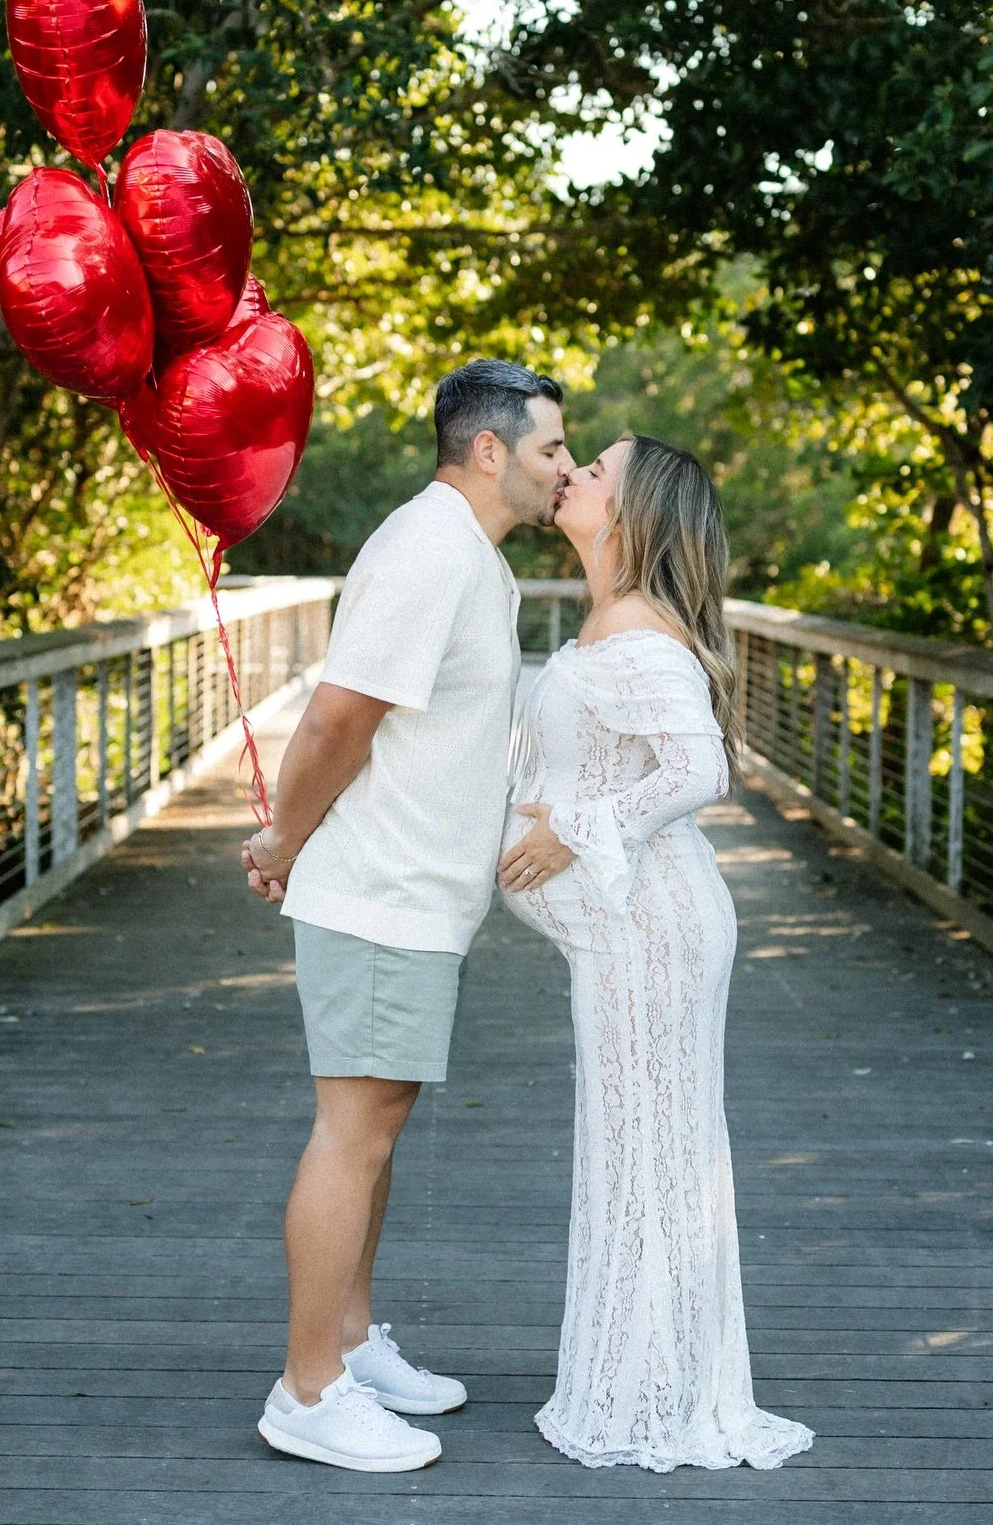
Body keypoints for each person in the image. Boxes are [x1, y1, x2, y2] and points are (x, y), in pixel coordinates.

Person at [242, 359, 572, 1474]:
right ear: (489, 451)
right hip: (380, 895)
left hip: (415, 898)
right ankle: (307, 1389)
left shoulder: (464, 556)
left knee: (375, 1132)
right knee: (354, 1132)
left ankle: (349, 1342)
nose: (563, 470)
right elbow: (339, 720)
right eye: (550, 451)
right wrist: (283, 839)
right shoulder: (431, 551)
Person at [497, 434, 815, 1473]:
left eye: (596, 470)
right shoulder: (610, 616)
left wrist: (572, 827)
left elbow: (698, 768)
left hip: (655, 930)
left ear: (631, 517)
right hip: (631, 930)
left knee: (650, 1155)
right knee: (639, 1152)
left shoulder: (637, 628)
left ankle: (656, 1397)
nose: (573, 473)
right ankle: (643, 1379)